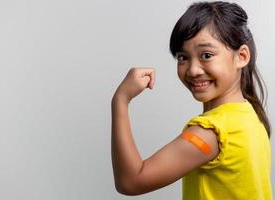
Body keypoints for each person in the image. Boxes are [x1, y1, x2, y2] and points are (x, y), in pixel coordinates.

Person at [111, 1, 273, 199]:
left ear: (241, 56)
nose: (193, 70)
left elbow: (130, 182)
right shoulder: (250, 115)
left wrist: (120, 100)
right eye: (182, 57)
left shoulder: (211, 132)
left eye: (206, 55)